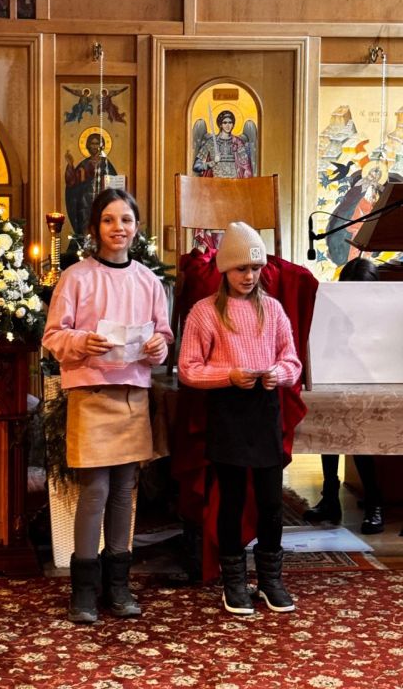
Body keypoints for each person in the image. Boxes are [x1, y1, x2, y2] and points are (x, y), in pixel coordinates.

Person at [42, 187, 173, 624]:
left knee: (123, 491)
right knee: (95, 490)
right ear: (95, 228)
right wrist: (83, 341)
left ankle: (118, 585)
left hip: (132, 395)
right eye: (109, 220)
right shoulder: (77, 277)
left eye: (127, 220)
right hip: (92, 394)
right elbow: (53, 336)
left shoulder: (148, 280)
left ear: (137, 227)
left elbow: (163, 337)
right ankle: (83, 590)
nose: (119, 228)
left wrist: (157, 347)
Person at [178, 222, 302, 615]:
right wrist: (228, 375)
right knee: (231, 500)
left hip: (264, 409)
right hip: (228, 410)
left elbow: (292, 361)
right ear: (225, 270)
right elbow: (189, 368)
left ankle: (270, 579)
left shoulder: (274, 309)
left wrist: (278, 373)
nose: (249, 276)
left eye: (255, 268)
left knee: (270, 501)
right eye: (241, 269)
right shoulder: (204, 312)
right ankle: (234, 580)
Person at [303, 256, 384, 534]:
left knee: (359, 439)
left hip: (372, 383)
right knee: (328, 432)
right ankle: (330, 497)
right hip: (338, 378)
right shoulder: (334, 313)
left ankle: (374, 501)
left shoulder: (383, 312)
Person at [64, 132, 117, 235]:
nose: (94, 146)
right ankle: (86, 240)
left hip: (102, 200)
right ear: (88, 145)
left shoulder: (106, 164)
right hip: (85, 203)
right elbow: (71, 182)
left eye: (97, 144)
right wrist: (70, 165)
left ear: (101, 146)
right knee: (86, 225)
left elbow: (113, 183)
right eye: (92, 143)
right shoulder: (84, 164)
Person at [193, 109, 253, 179]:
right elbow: (196, 166)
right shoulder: (211, 142)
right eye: (225, 123)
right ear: (220, 125)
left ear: (233, 125)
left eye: (230, 122)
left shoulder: (238, 142)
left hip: (234, 182)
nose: (228, 125)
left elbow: (246, 166)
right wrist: (212, 163)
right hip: (215, 182)